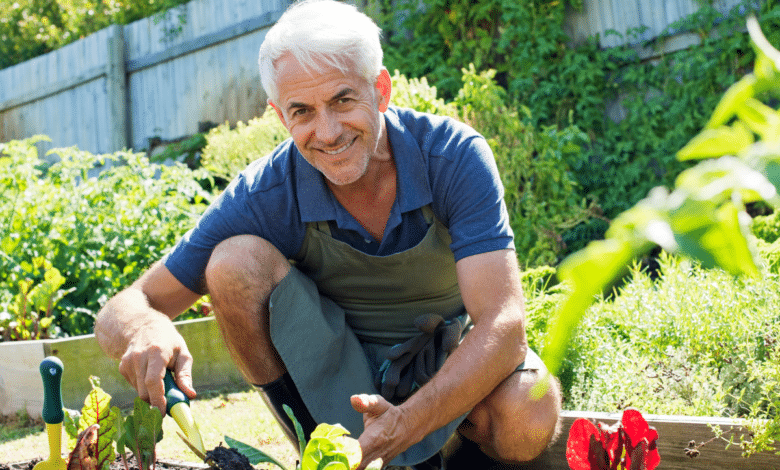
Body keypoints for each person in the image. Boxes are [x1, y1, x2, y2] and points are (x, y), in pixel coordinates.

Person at [94, 0, 562, 468]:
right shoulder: (269, 192)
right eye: (303, 111)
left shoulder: (451, 156)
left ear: (380, 90)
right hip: (335, 376)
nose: (329, 131)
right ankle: (318, 451)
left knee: (530, 409)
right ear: (281, 117)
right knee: (232, 263)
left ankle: (447, 458)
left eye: (342, 100)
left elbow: (503, 327)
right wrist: (145, 326)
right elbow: (124, 307)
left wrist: (406, 421)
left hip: (443, 364)